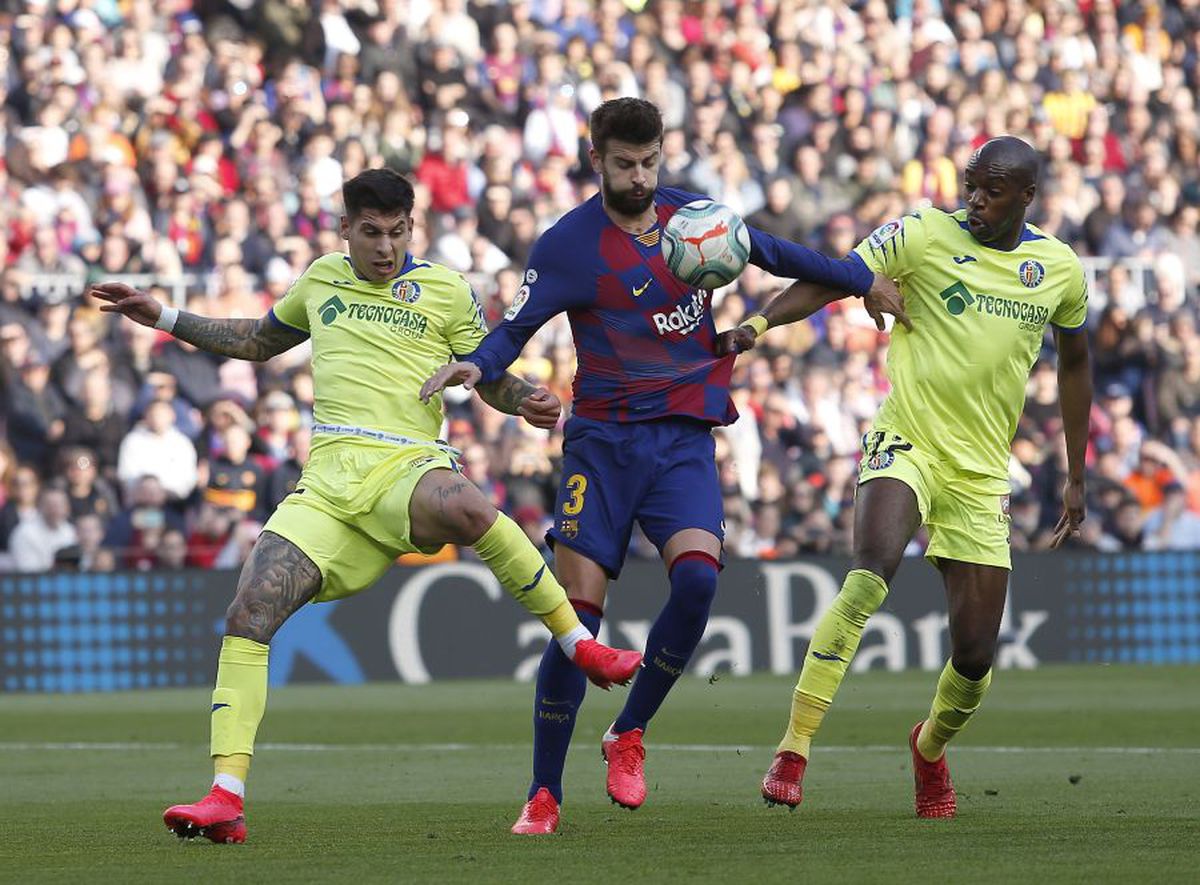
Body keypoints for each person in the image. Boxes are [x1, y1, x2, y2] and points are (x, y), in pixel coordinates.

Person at [88, 167, 642, 845]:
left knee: (467, 507)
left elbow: (485, 372)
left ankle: (578, 645)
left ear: (414, 227)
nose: (386, 247)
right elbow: (259, 340)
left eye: (399, 232)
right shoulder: (322, 279)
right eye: (372, 232)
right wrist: (165, 316)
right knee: (249, 608)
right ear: (344, 228)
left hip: (406, 464)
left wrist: (526, 396)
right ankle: (226, 797)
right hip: (327, 485)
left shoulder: (443, 289)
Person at [420, 97, 906, 834]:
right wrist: (477, 365)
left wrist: (855, 277)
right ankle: (543, 793)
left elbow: (778, 253)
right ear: (598, 159)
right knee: (577, 623)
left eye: (650, 162)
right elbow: (514, 330)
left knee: (700, 580)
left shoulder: (696, 221)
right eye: (625, 164)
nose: (640, 177)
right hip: (604, 445)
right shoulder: (566, 247)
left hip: (681, 435)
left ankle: (629, 731)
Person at [723, 137, 1092, 819]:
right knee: (871, 571)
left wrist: (1076, 471)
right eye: (970, 185)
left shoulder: (1060, 269)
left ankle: (927, 748)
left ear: (1026, 197)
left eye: (991, 189)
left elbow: (1074, 365)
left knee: (976, 655)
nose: (975, 199)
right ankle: (793, 748)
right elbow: (835, 275)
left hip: (981, 470)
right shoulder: (921, 232)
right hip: (907, 438)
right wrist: (758, 323)